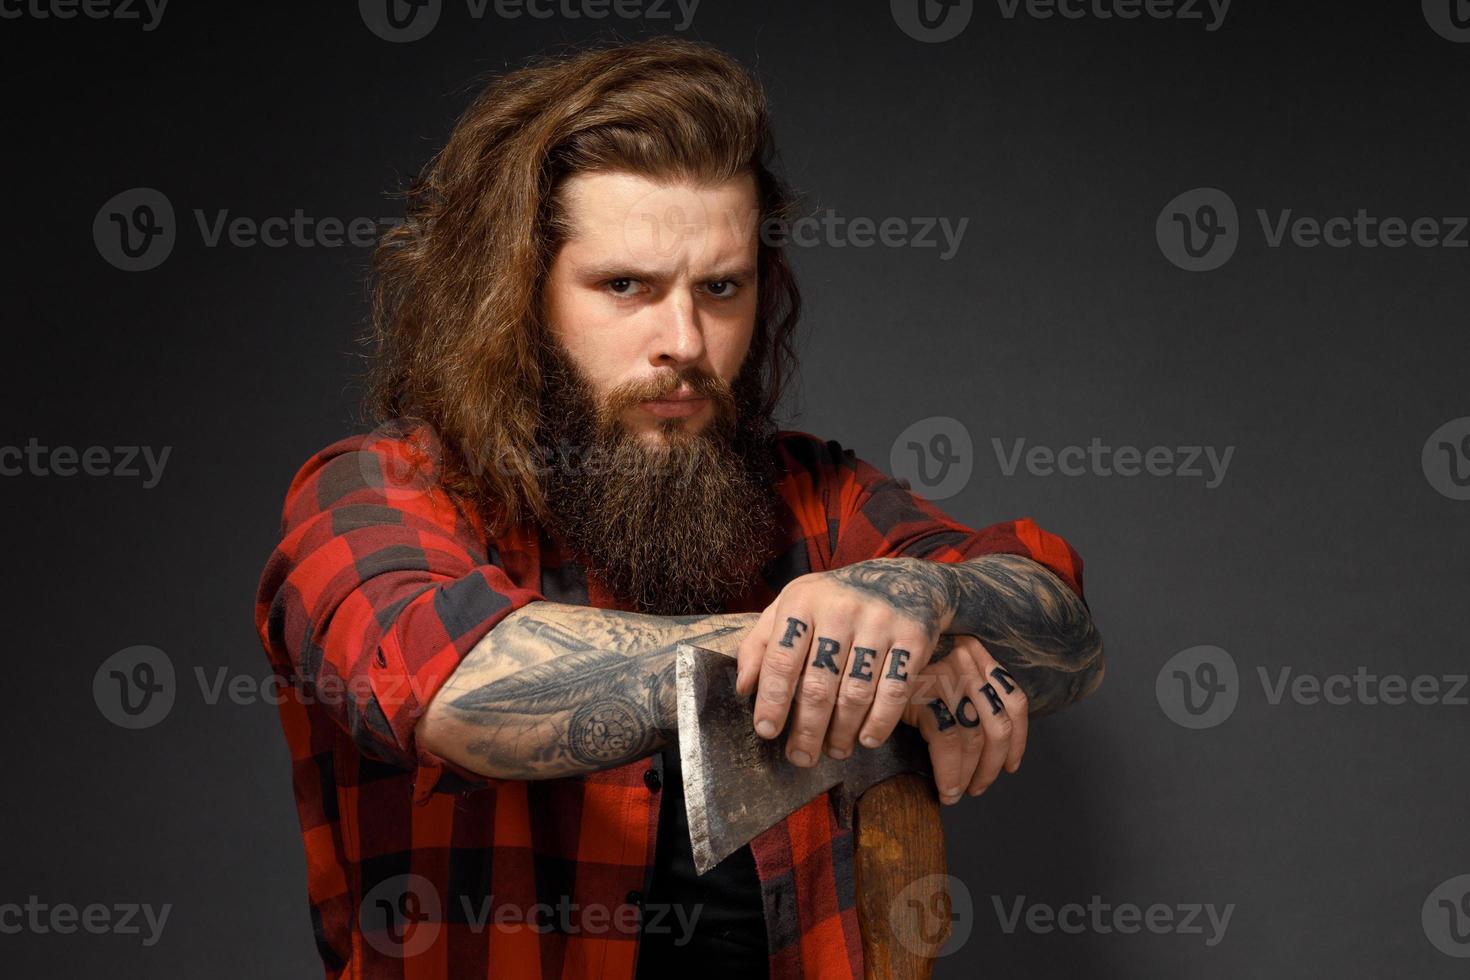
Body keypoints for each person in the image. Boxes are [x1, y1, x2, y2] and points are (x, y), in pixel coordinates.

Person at [254, 36, 1105, 980]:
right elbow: (457, 692)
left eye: (721, 289)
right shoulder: (375, 490)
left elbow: (1063, 633)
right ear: (513, 298)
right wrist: (827, 642)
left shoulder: (818, 499)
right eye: (626, 286)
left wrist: (916, 597)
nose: (685, 340)